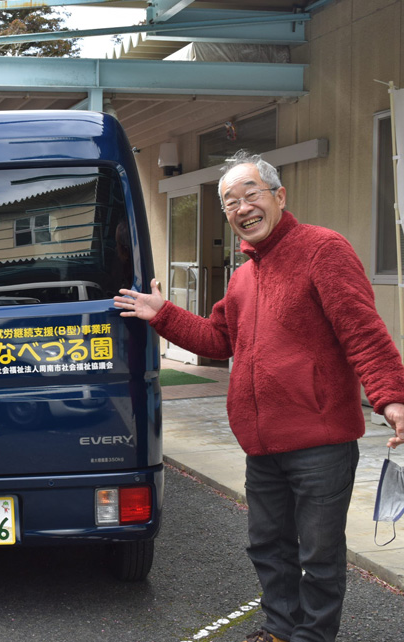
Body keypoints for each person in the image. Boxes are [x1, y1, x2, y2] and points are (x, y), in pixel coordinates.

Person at [114, 151, 404, 642]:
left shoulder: (322, 249)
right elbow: (217, 339)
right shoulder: (244, 276)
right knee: (268, 545)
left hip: (320, 442)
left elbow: (362, 331)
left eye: (251, 194)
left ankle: (312, 637)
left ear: (279, 196)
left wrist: (391, 397)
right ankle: (279, 629)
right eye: (230, 202)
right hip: (261, 445)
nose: (242, 207)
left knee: (318, 553)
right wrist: (162, 313)